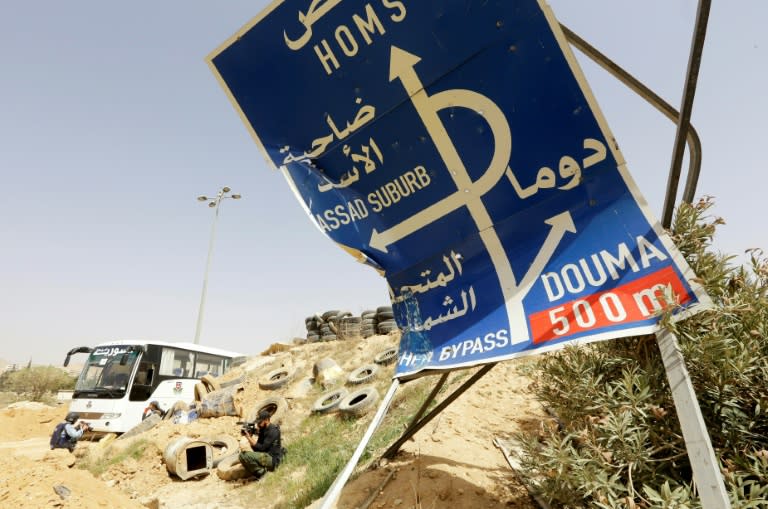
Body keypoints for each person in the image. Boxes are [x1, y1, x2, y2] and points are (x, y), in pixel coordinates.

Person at [238, 410, 285, 478]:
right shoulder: (263, 429)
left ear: (266, 420)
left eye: (260, 422)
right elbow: (256, 448)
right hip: (265, 455)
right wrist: (250, 436)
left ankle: (262, 473)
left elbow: (262, 448)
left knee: (244, 456)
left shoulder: (273, 431)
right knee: (242, 456)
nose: (259, 424)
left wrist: (248, 437)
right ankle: (259, 472)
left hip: (272, 459)